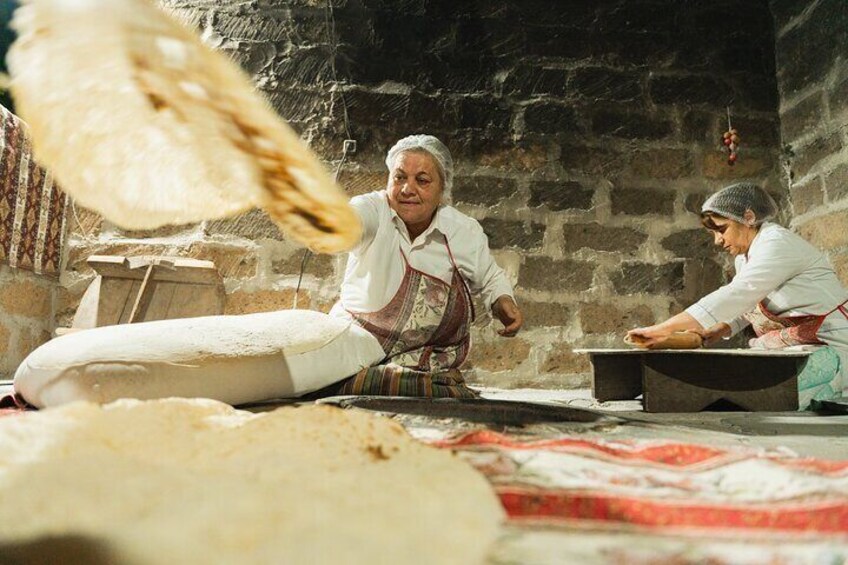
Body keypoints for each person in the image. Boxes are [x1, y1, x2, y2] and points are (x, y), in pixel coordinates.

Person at [327, 134, 523, 398]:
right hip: (358, 350)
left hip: (422, 361)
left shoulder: (462, 231)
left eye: (422, 180)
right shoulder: (374, 210)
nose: (408, 189)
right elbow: (351, 220)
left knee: (427, 389)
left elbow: (490, 279)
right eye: (399, 178)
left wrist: (503, 302)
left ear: (443, 190)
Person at [627, 182, 848, 409]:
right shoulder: (744, 257)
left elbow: (738, 293)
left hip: (831, 343)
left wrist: (661, 329)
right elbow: (750, 303)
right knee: (742, 389)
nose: (717, 241)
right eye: (713, 233)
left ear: (749, 217)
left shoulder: (777, 243)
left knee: (767, 397)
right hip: (794, 343)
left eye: (721, 230)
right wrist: (720, 329)